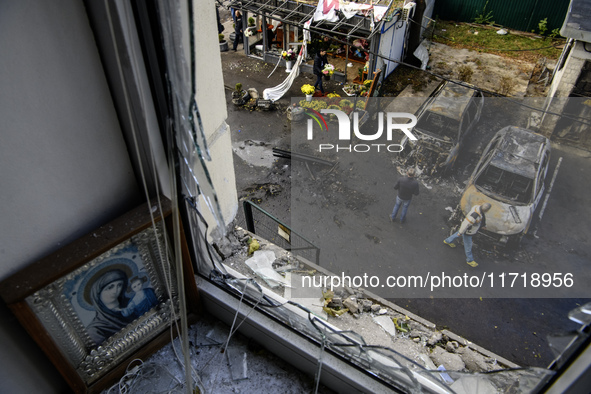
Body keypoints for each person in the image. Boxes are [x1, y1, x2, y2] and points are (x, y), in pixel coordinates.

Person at [86, 269, 135, 345]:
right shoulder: (95, 330)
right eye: (110, 287)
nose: (115, 291)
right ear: (97, 293)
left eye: (119, 285)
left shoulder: (132, 305)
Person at [443, 203, 492, 267]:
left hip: (467, 230)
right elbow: (466, 224)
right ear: (486, 210)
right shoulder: (474, 216)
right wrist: (461, 232)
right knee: (468, 246)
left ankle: (447, 241)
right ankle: (470, 260)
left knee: (457, 234)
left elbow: (482, 216)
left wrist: (483, 225)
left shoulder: (477, 207)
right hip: (468, 232)